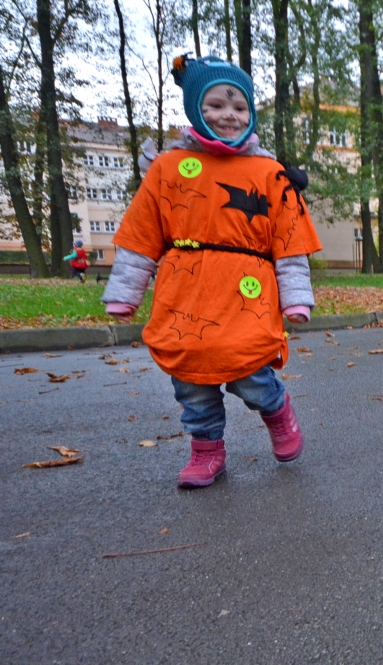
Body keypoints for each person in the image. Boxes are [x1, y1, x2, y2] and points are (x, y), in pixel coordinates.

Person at [101, 55, 321, 489]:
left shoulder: (269, 173)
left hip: (246, 292)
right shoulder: (169, 168)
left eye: (239, 106)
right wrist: (125, 292)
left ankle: (275, 410)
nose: (229, 115)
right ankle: (206, 451)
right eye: (216, 104)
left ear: (251, 112)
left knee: (250, 369)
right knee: (191, 380)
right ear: (194, 108)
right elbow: (142, 234)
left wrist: (297, 296)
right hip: (186, 291)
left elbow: (290, 244)